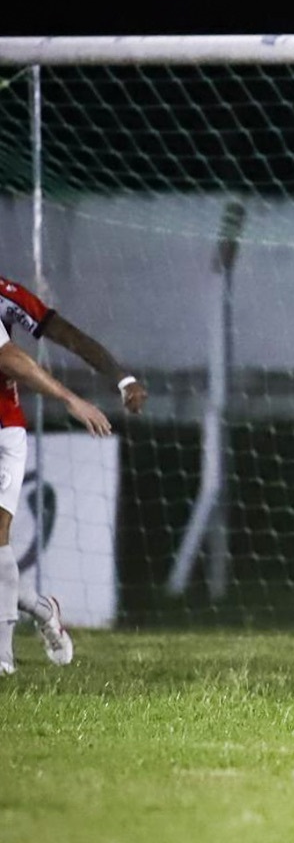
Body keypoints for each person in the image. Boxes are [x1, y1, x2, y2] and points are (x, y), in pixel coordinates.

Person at [1, 273, 137, 675]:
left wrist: (109, 384)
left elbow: (19, 355)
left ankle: (3, 657)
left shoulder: (6, 296)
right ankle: (44, 610)